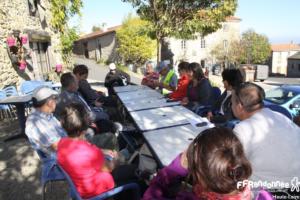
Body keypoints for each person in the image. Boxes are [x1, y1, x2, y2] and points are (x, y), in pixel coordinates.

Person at [143, 127, 270, 199]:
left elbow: (151, 195)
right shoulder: (261, 194)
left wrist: (176, 168)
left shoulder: (189, 196)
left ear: (200, 175)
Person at [231, 82, 300, 185]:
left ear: (240, 106)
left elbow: (231, 167)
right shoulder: (281, 117)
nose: (231, 106)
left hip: (266, 192)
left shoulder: (242, 130)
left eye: (231, 103)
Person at [57, 103, 115, 198]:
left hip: (79, 189)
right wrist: (115, 159)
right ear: (85, 126)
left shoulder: (62, 143)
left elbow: (84, 150)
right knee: (129, 170)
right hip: (98, 192)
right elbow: (109, 168)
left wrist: (102, 151)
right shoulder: (92, 152)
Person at [25, 86, 67, 157]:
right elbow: (56, 146)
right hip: (58, 160)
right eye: (55, 99)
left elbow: (60, 129)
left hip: (65, 150)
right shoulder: (36, 122)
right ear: (50, 103)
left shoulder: (46, 114)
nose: (56, 102)